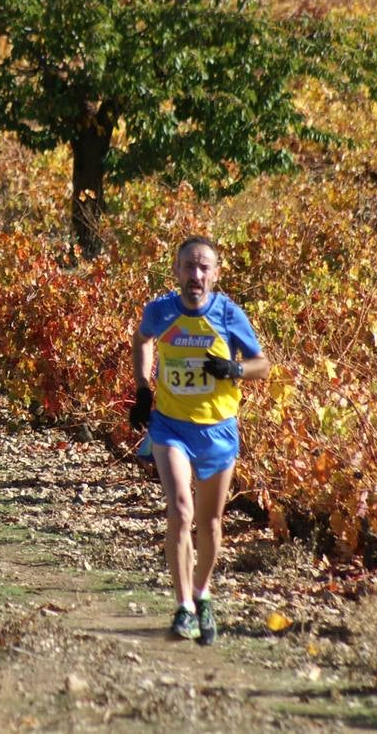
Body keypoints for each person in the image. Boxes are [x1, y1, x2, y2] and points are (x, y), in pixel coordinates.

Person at [129, 236, 270, 645]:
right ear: (175, 271)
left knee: (209, 524)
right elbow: (142, 340)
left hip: (218, 430)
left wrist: (234, 369)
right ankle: (183, 608)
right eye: (189, 266)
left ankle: (201, 592)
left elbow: (263, 364)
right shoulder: (160, 311)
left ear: (216, 274)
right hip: (171, 426)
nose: (196, 275)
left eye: (204, 267)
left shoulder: (228, 314)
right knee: (179, 508)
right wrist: (142, 387)